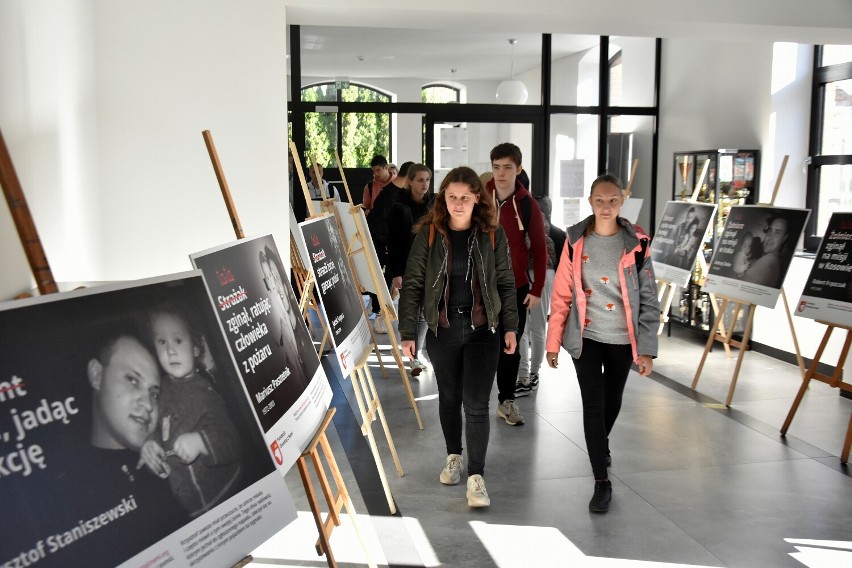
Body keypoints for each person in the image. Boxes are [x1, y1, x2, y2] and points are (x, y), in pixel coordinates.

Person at [398, 166, 518, 508]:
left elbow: (507, 282)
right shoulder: (430, 235)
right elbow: (414, 284)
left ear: (477, 198)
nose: (458, 204)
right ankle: (454, 456)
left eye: (465, 197)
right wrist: (409, 331)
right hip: (444, 330)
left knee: (477, 403)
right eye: (452, 197)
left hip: (484, 330)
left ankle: (477, 477)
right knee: (450, 398)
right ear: (443, 198)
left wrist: (510, 326)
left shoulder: (492, 234)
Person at [546, 174, 659, 513]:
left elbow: (650, 298)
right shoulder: (575, 240)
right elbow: (562, 294)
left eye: (613, 200)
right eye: (599, 200)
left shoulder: (637, 243)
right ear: (590, 201)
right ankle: (601, 481)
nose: (606, 206)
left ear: (622, 201)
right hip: (587, 337)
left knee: (613, 400)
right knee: (593, 404)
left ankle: (601, 442)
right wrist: (553, 342)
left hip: (623, 340)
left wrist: (648, 349)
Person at [139, 305, 242, 517]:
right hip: (191, 508)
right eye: (161, 342)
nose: (170, 350)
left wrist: (201, 441)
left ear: (195, 347)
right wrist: (151, 445)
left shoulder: (205, 392)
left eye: (178, 340)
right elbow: (157, 428)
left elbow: (231, 441)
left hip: (227, 496)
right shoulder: (160, 390)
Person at [485, 142, 547, 426]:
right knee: (483, 344)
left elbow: (539, 249)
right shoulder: (480, 198)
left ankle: (506, 401)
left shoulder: (527, 204)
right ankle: (475, 400)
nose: (501, 173)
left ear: (518, 169)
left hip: (516, 287)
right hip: (481, 286)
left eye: (507, 167)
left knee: (510, 345)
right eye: (496, 167)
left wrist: (536, 289)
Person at [388, 164, 434, 375]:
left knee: (425, 311)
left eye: (427, 180)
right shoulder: (399, 207)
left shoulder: (432, 206)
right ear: (411, 182)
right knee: (410, 311)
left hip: (429, 266)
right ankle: (412, 355)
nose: (424, 184)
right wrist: (396, 273)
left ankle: (417, 353)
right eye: (420, 180)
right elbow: (394, 242)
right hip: (407, 267)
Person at [515, 196, 563, 397]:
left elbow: (523, 249)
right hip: (547, 276)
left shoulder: (528, 225)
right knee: (536, 325)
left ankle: (525, 375)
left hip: (532, 275)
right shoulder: (557, 232)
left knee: (526, 327)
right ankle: (532, 373)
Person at [367, 161, 415, 334]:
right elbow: (379, 226)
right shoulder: (389, 196)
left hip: (393, 248)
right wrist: (391, 244)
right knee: (386, 283)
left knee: (393, 285)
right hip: (385, 249)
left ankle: (385, 315)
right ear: (409, 177)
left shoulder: (398, 193)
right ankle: (381, 317)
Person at [743, 215, 789, 288]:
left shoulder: (769, 262)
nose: (769, 236)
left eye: (777, 233)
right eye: (770, 230)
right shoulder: (770, 259)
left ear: (784, 238)